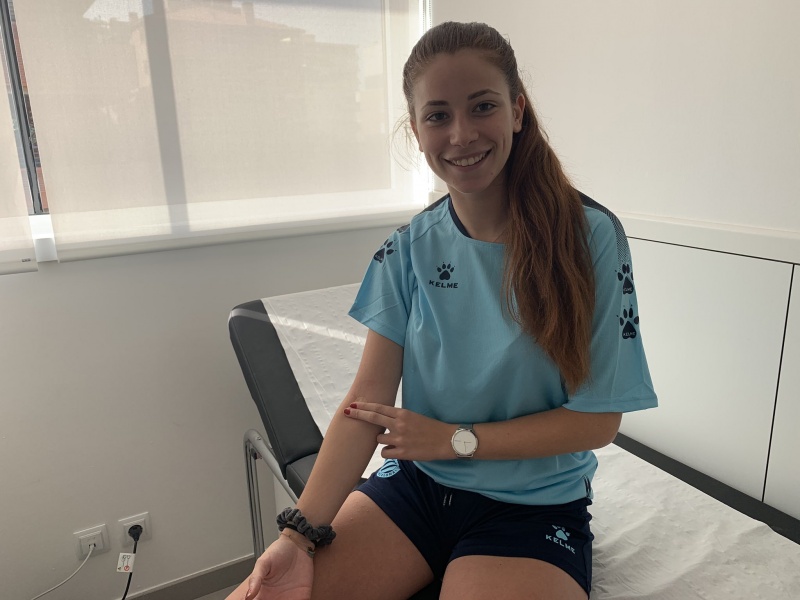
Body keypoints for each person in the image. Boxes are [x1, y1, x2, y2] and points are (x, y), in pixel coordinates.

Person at [228, 21, 657, 600]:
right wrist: (296, 537)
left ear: (517, 111)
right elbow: (365, 406)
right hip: (417, 489)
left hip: (531, 508)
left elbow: (597, 421)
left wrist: (456, 439)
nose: (461, 134)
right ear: (416, 130)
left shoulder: (590, 237)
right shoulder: (407, 249)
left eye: (483, 106)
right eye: (438, 115)